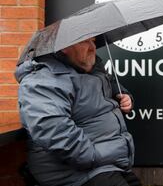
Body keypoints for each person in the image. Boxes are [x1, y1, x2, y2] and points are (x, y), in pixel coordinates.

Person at [15, 37, 142, 186]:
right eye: (84, 42)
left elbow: (113, 86)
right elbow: (54, 130)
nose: (92, 47)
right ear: (64, 47)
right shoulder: (43, 79)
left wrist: (125, 97)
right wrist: (92, 157)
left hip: (105, 164)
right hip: (75, 171)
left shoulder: (92, 69)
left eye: (93, 41)